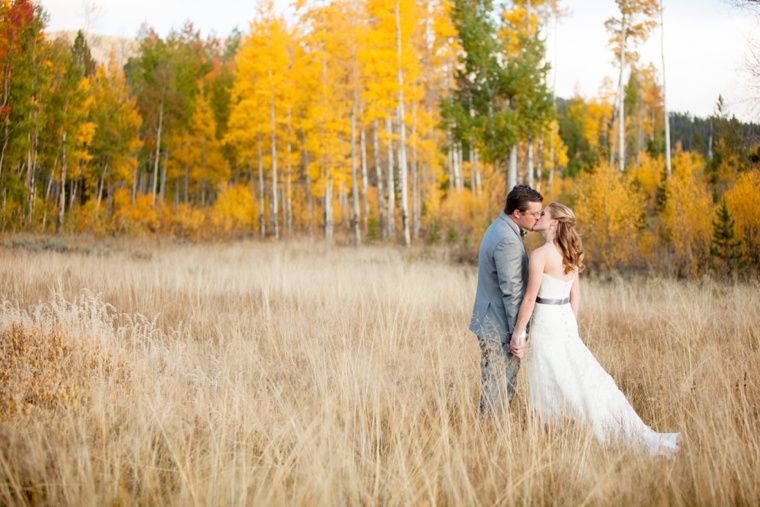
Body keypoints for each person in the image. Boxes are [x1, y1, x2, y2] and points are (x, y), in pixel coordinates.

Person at [510, 202, 679, 457]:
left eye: (543, 214)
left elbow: (530, 297)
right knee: (579, 378)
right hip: (564, 320)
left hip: (547, 323)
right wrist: (571, 328)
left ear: (554, 222)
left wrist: (519, 332)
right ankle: (597, 429)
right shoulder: (570, 251)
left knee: (551, 378)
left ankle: (559, 435)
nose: (538, 216)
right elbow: (575, 295)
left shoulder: (541, 255)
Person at [469, 184, 544, 418]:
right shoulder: (507, 240)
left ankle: (490, 431)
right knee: (498, 388)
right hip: (499, 326)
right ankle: (491, 435)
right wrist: (518, 333)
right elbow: (511, 291)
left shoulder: (500, 227)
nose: (539, 218)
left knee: (495, 384)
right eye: (535, 214)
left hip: (491, 320)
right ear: (517, 214)